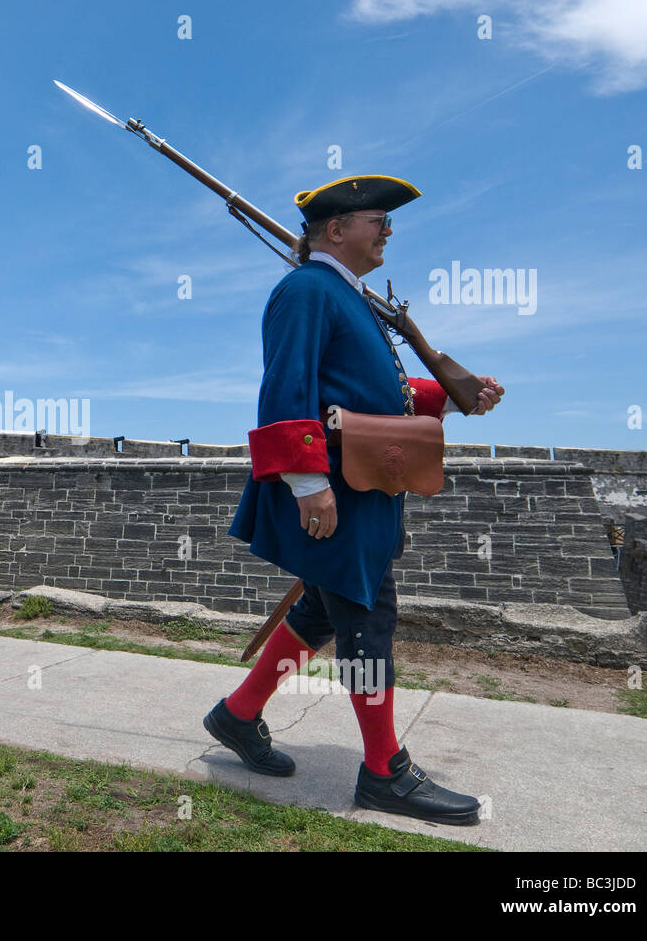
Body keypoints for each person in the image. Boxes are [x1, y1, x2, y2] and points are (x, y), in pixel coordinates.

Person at [207, 175, 504, 825]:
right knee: (369, 620)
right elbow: (286, 390)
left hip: (364, 485)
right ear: (336, 229)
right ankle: (382, 772)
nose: (388, 232)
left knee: (321, 609)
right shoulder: (307, 289)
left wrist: (453, 391)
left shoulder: (351, 297)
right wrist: (310, 485)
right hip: (335, 486)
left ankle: (236, 714)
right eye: (379, 220)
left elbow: (375, 390)